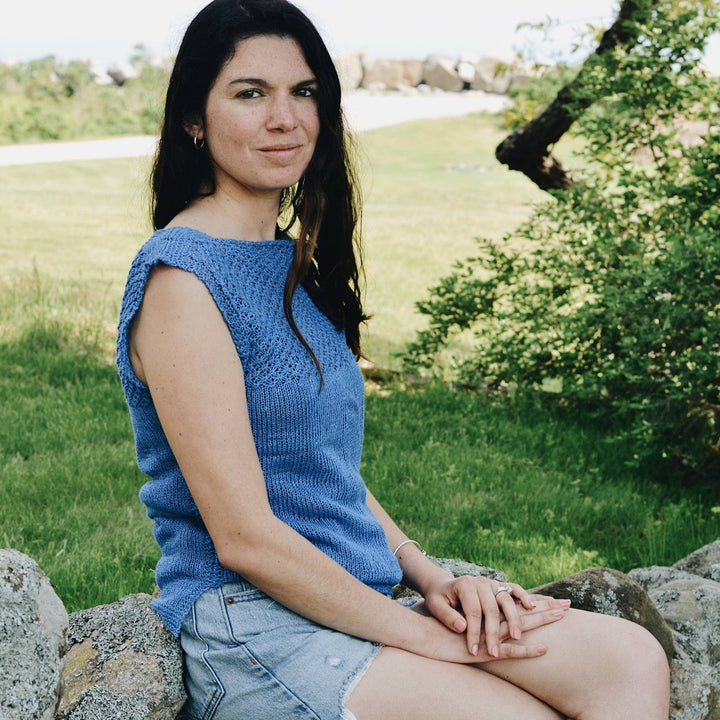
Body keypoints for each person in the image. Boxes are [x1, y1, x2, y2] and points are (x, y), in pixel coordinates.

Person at [116, 1, 670, 718]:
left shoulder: (288, 262)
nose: (285, 118)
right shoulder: (182, 282)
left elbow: (323, 469)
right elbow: (246, 539)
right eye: (250, 93)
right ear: (195, 118)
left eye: (304, 91)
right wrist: (425, 638)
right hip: (251, 624)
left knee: (629, 659)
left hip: (355, 594)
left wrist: (430, 577)